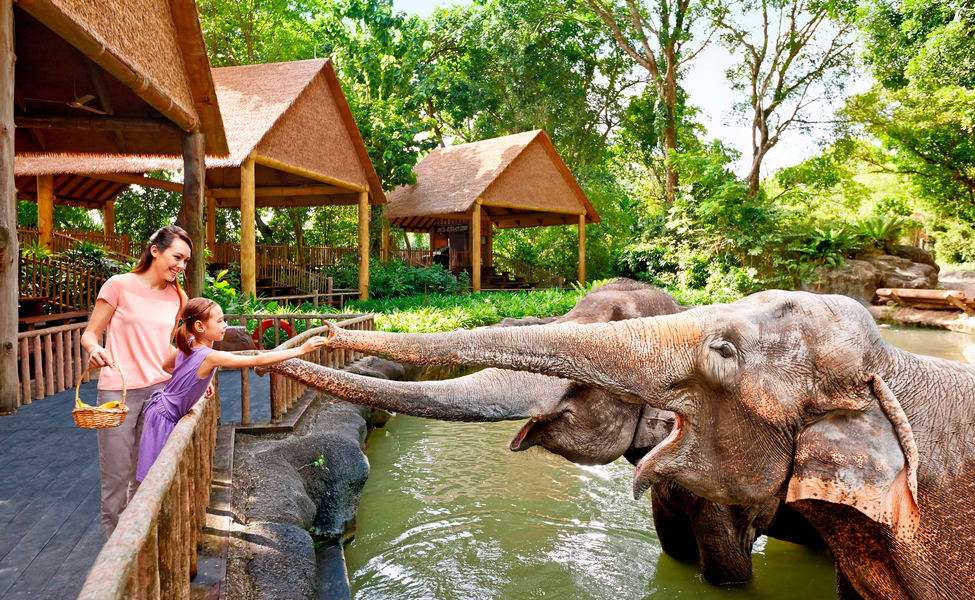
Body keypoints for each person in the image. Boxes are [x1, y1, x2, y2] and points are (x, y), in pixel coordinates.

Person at [136, 298, 328, 481]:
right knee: (155, 477)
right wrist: (301, 349)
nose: (225, 325)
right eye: (219, 321)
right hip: (164, 417)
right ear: (200, 326)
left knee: (162, 473)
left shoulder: (190, 344)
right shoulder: (209, 356)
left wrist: (200, 381)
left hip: (161, 409)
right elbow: (257, 359)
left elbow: (167, 366)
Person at [81, 225, 191, 536]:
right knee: (116, 476)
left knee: (147, 474)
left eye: (186, 261)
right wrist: (95, 349)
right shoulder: (118, 285)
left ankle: (140, 543)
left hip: (158, 392)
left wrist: (194, 374)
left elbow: (166, 347)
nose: (181, 266)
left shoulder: (178, 297)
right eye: (177, 257)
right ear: (155, 251)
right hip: (118, 392)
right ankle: (115, 549)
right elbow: (90, 334)